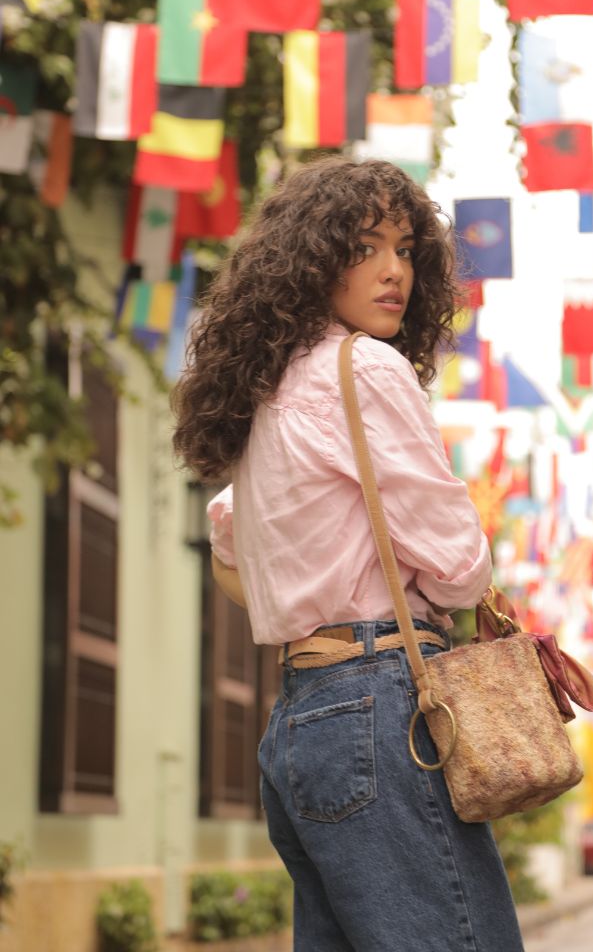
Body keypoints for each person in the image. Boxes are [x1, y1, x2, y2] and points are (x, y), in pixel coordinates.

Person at [172, 157, 525, 951]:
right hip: (384, 705)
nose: (394, 270)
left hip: (302, 719)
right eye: (366, 246)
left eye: (405, 249)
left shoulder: (272, 393)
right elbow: (464, 569)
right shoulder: (364, 368)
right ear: (314, 257)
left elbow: (228, 536)